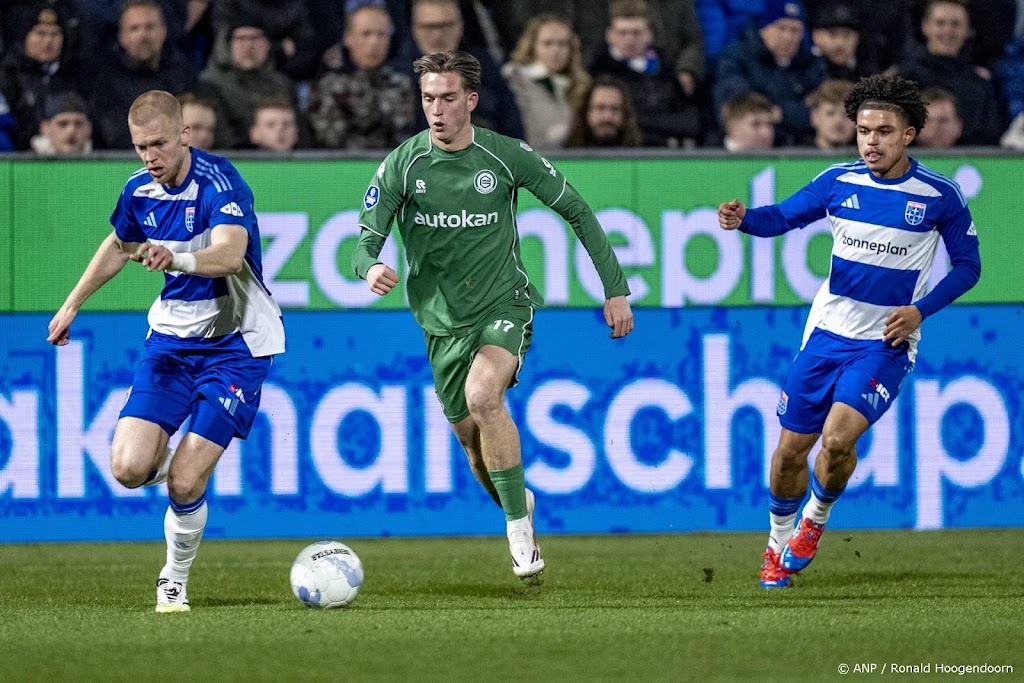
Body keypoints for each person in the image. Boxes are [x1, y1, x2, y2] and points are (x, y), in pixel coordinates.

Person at [352, 51, 634, 584]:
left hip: (504, 304)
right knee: (472, 444)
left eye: (448, 98)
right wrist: (369, 268)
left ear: (472, 101)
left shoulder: (504, 156)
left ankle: (519, 536)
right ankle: (516, 500)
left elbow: (577, 210)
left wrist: (615, 291)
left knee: (485, 396)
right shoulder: (402, 165)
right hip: (442, 323)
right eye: (429, 99)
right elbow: (363, 242)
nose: (436, 110)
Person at [717, 74, 981, 588]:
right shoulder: (839, 181)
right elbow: (782, 218)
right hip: (826, 335)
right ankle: (775, 546)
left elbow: (969, 267)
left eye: (883, 131)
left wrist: (920, 311)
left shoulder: (939, 196)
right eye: (863, 131)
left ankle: (813, 522)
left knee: (837, 442)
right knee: (790, 451)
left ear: (908, 134)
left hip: (885, 342)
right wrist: (744, 218)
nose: (871, 142)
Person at [47, 90, 285, 611]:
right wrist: (71, 305)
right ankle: (182, 461)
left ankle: (174, 575)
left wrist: (175, 256)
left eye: (158, 143)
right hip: (171, 345)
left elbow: (228, 253)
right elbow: (117, 245)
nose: (150, 156)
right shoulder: (138, 190)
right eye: (139, 147)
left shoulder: (220, 183)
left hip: (236, 346)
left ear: (185, 135)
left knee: (182, 480)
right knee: (129, 470)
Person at [588, 0, 701, 147]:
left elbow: (690, 122)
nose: (630, 40)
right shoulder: (599, 72)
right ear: (610, 35)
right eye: (622, 33)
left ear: (649, 34)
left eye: (636, 33)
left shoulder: (669, 68)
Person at [306, 5, 415, 150]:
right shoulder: (328, 85)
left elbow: (405, 137)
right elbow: (329, 139)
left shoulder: (401, 83)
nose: (374, 42)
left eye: (381, 34)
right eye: (366, 34)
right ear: (348, 38)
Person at [502, 14, 591, 150]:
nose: (555, 50)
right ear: (533, 45)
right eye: (547, 43)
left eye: (562, 44)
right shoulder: (515, 80)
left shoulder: (581, 84)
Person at [565, 75, 643, 147]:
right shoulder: (562, 158)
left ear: (625, 114)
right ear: (586, 111)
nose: (607, 116)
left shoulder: (643, 158)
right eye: (600, 108)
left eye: (615, 109)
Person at [805, 79, 855, 149]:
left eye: (847, 115)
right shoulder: (794, 158)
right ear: (815, 117)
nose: (839, 120)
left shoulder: (869, 158)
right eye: (830, 113)